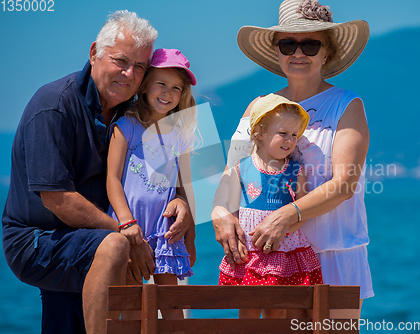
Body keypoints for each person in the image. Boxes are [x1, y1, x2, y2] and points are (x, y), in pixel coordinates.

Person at [2, 11, 192, 334]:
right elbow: (57, 199)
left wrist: (183, 203)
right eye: (121, 61)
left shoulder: (131, 113)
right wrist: (127, 230)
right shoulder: (54, 105)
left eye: (140, 66)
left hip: (87, 237)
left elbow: (164, 176)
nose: (129, 73)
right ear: (94, 54)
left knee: (81, 304)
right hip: (35, 239)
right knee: (117, 248)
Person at [212, 0, 373, 318]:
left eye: (310, 44)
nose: (298, 53)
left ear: (327, 53)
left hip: (335, 252)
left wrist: (287, 216)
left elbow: (344, 184)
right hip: (269, 257)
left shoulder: (347, 105)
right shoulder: (257, 106)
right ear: (277, 52)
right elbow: (234, 174)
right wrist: (220, 211)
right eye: (288, 44)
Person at [107, 48, 198, 319]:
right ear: (145, 85)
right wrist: (126, 222)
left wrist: (190, 240)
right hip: (129, 230)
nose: (168, 93)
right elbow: (112, 179)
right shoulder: (126, 126)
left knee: (172, 308)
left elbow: (185, 189)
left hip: (165, 232)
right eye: (161, 84)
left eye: (176, 88)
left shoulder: (182, 136)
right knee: (131, 308)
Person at [218, 94, 323, 319]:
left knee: (278, 310)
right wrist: (237, 237)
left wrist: (286, 232)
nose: (290, 140)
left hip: (282, 251)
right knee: (248, 309)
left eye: (294, 135)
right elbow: (232, 208)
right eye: (283, 133)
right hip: (250, 252)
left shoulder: (296, 170)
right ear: (260, 133)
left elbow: (301, 209)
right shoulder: (241, 167)